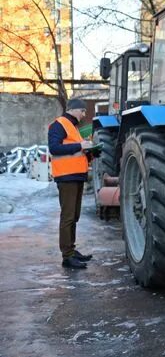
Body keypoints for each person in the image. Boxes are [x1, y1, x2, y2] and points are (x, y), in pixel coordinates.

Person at [48, 98, 95, 269]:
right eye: (82, 111)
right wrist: (79, 146)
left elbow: (75, 150)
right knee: (68, 216)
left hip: (76, 176)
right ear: (74, 109)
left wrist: (89, 151)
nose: (83, 115)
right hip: (66, 177)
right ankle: (67, 256)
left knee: (74, 215)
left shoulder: (72, 127)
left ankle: (71, 250)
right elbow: (54, 148)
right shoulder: (59, 124)